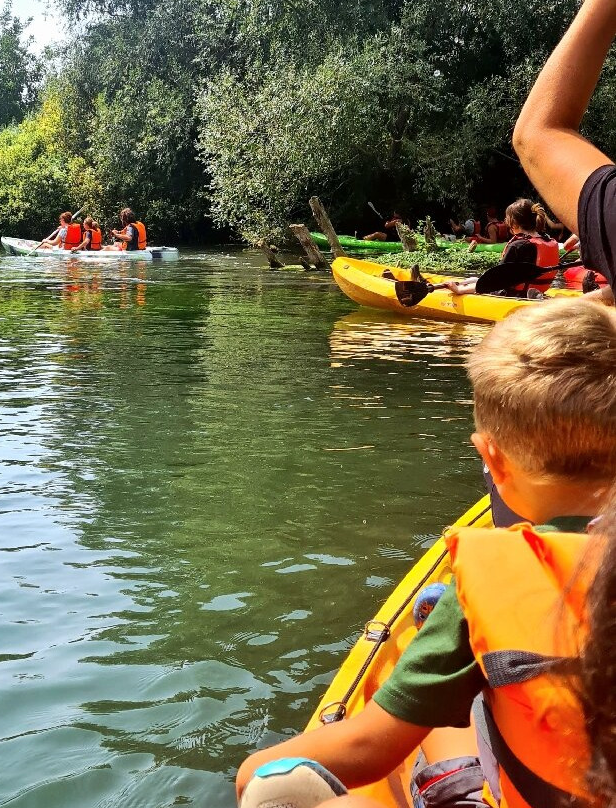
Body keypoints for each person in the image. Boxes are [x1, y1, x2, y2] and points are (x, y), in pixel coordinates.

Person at [236, 297, 616, 808]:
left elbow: (367, 747)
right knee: (438, 610)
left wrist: (252, 772)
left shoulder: (487, 589)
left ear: (492, 460)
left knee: (276, 785)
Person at [510, 0, 616, 302]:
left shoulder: (520, 247)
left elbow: (535, 133)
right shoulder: (548, 243)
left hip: (521, 296)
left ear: (514, 224)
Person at [444, 199, 561, 297]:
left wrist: (460, 290)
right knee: (473, 279)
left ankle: (470, 284)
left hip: (514, 295)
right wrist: (476, 281)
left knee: (474, 284)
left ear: (513, 223)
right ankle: (474, 280)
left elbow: (496, 281)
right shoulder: (547, 240)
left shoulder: (517, 245)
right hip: (534, 293)